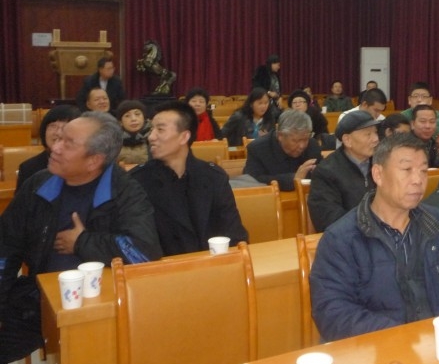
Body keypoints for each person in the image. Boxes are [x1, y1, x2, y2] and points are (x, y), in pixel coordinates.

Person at [0, 112, 162, 364]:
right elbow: (6, 246)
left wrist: (83, 241)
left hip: (103, 308)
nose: (56, 147)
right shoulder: (39, 185)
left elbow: (143, 253)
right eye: (58, 138)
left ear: (94, 160)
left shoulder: (125, 192)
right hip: (38, 302)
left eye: (68, 143)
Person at [309, 133, 439, 342]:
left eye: (423, 170)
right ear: (378, 174)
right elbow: (333, 311)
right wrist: (405, 337)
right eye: (406, 170)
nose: (418, 180)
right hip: (379, 348)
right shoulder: (341, 239)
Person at [130, 101, 248, 255]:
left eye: (160, 129)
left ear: (184, 137)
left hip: (211, 264)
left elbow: (234, 234)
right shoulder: (138, 181)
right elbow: (135, 244)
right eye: (151, 129)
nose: (151, 137)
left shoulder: (214, 177)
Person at [307, 111, 379, 232]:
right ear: (347, 140)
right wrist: (371, 226)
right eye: (368, 134)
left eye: (375, 133)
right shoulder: (326, 172)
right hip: (349, 237)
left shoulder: (382, 163)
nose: (376, 139)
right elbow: (328, 220)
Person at [244, 110, 323, 191]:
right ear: (280, 135)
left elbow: (323, 174)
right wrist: (293, 179)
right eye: (296, 141)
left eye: (306, 139)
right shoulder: (258, 149)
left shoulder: (312, 145)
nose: (302, 146)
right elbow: (251, 181)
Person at [16, 105, 81, 191]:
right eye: (53, 126)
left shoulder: (85, 164)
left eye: (65, 127)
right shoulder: (28, 168)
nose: (58, 133)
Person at [116, 99, 151, 165]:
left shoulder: (154, 137)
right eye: (127, 116)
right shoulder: (114, 141)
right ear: (120, 122)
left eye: (137, 114)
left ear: (144, 118)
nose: (133, 119)